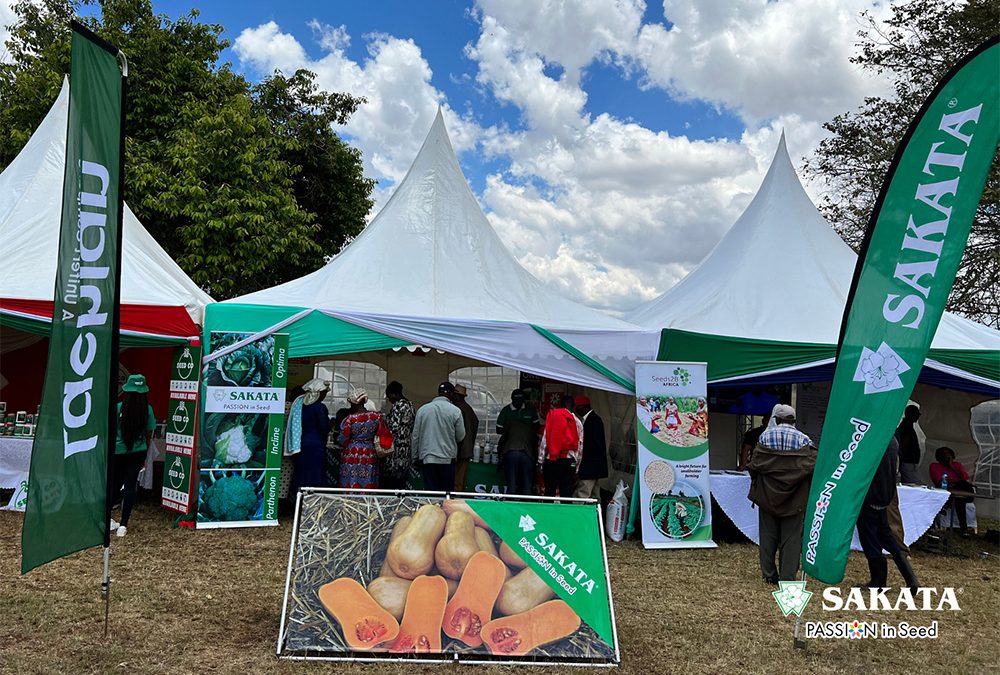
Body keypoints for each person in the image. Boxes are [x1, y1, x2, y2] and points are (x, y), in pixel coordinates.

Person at [746, 404, 816, 584]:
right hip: (795, 498)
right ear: (793, 420)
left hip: (767, 496)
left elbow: (754, 465)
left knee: (768, 536)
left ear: (776, 419)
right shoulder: (804, 440)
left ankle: (769, 575)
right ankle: (788, 577)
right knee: (791, 538)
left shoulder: (765, 437)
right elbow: (812, 467)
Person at [857, 436, 920, 590]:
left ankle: (878, 581)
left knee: (870, 537)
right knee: (886, 536)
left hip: (871, 494)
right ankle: (910, 578)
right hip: (885, 494)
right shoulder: (892, 440)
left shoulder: (873, 438)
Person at [109, 374, 156, 538]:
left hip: (118, 452)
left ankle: (108, 519)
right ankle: (123, 525)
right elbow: (149, 434)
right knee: (130, 487)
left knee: (114, 484)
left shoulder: (118, 407)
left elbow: (111, 431)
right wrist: (144, 453)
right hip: (138, 452)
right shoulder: (148, 410)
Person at [411, 382, 465, 492]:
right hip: (447, 459)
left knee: (431, 495)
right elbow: (460, 436)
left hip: (428, 458)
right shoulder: (455, 411)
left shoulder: (422, 410)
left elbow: (415, 436)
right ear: (450, 394)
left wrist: (414, 457)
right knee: (446, 495)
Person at [337, 389, 387, 489]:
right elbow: (384, 436)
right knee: (368, 479)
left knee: (351, 479)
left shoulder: (349, 419)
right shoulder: (376, 417)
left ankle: (350, 501)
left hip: (351, 452)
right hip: (369, 452)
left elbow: (343, 439)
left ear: (352, 403)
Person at [289, 378, 332, 495]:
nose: (324, 396)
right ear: (318, 393)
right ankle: (313, 500)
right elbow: (324, 427)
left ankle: (298, 500)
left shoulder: (299, 406)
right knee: (315, 473)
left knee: (302, 473)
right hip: (316, 445)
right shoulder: (320, 407)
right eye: (324, 393)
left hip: (300, 444)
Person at [496, 389, 540, 495]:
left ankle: (511, 506)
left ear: (524, 400)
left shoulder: (530, 410)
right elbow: (499, 430)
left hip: (512, 452)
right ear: (512, 399)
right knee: (527, 483)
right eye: (516, 400)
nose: (518, 402)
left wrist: (500, 456)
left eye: (520, 400)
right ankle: (526, 505)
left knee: (512, 483)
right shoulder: (506, 411)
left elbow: (502, 440)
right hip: (526, 453)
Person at [538, 395, 581, 498]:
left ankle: (549, 513)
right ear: (573, 407)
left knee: (549, 492)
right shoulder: (577, 422)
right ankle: (565, 513)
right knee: (566, 493)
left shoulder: (553, 416)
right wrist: (577, 466)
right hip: (569, 462)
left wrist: (540, 461)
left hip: (552, 460)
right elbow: (580, 446)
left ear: (561, 405)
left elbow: (545, 441)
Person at [929, 446, 975, 535]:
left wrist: (951, 467)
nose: (945, 457)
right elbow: (938, 480)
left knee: (962, 485)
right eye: (943, 454)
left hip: (963, 490)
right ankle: (964, 529)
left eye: (947, 455)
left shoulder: (957, 465)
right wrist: (954, 481)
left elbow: (964, 477)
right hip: (949, 491)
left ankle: (963, 529)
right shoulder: (934, 466)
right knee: (959, 501)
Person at [380, 381, 415, 490]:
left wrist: (384, 420)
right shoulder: (411, 405)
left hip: (395, 449)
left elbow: (392, 427)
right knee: (401, 481)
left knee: (392, 481)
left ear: (394, 394)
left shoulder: (397, 406)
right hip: (407, 447)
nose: (389, 399)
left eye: (389, 396)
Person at [573, 396, 608, 500]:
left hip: (590, 465)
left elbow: (594, 444)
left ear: (582, 407)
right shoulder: (593, 419)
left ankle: (576, 515)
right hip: (594, 466)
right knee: (594, 495)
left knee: (582, 493)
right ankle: (597, 514)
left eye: (577, 407)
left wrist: (582, 459)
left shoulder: (593, 421)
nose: (575, 410)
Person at [452, 384, 480, 491]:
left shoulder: (458, 409)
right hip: (467, 448)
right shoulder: (468, 409)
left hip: (460, 449)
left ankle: (456, 501)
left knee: (457, 480)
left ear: (457, 396)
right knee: (461, 479)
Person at [896, 405, 923, 484]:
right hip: (908, 461)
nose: (918, 416)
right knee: (914, 484)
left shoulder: (907, 426)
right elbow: (905, 445)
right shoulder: (906, 427)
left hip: (909, 461)